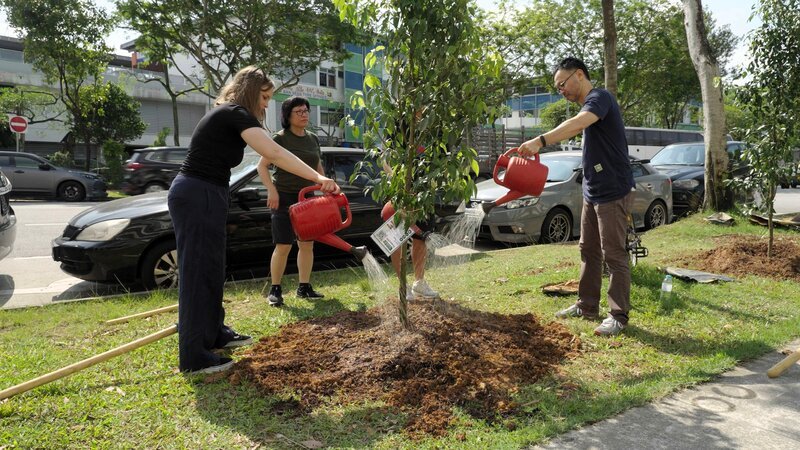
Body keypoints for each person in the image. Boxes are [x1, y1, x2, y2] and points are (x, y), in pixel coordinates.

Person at [168, 67, 339, 374]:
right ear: (249, 91)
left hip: (210, 192)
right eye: (264, 97)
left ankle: (214, 332)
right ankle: (194, 357)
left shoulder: (231, 116)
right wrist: (317, 177)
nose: (265, 105)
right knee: (198, 272)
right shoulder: (233, 113)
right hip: (197, 192)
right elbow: (273, 152)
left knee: (213, 267)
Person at [517, 57, 635, 336]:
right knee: (588, 250)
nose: (562, 91)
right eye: (558, 88)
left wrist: (540, 140)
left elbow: (578, 123)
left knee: (614, 254)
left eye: (562, 84)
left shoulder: (599, 98)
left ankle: (618, 315)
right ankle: (586, 305)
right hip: (592, 191)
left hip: (613, 191)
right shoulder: (589, 104)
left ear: (579, 75)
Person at [257, 97, 326, 307]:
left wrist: (324, 187)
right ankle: (275, 289)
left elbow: (317, 167)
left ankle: (304, 287)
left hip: (307, 198)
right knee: (283, 245)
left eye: (306, 110)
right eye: (299, 111)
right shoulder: (279, 139)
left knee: (307, 245)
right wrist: (272, 191)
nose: (304, 114)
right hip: (284, 196)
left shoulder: (313, 138)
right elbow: (262, 167)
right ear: (287, 115)